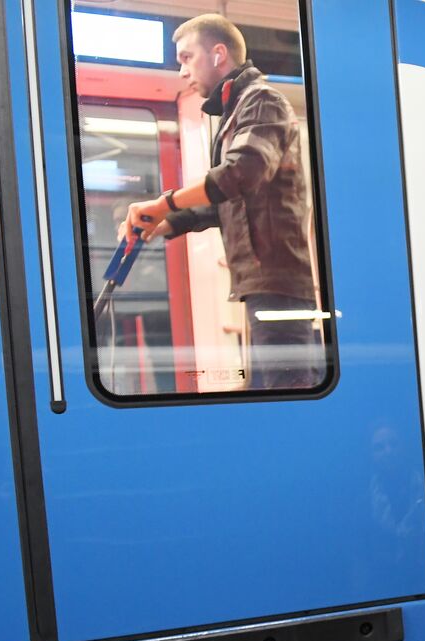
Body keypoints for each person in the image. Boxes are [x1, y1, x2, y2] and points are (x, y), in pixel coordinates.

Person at [119, 13, 322, 390]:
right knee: (273, 391)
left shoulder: (261, 101)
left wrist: (163, 204)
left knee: (288, 393)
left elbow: (240, 173)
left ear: (218, 54)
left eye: (186, 58)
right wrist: (167, 223)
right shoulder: (235, 112)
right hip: (261, 284)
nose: (182, 71)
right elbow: (225, 202)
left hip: (278, 285)